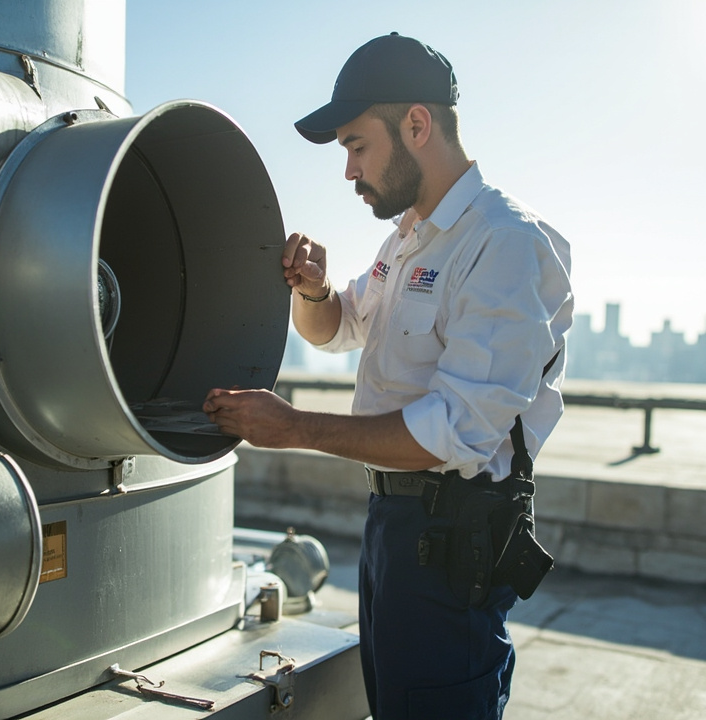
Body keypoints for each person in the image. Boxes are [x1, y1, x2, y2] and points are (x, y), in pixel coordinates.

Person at [203, 33, 573, 719]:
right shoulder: (407, 238)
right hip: (394, 529)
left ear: (417, 125)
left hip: (453, 538)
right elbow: (339, 328)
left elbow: (453, 430)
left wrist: (293, 427)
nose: (349, 170)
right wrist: (314, 290)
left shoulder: (504, 243)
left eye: (356, 145)